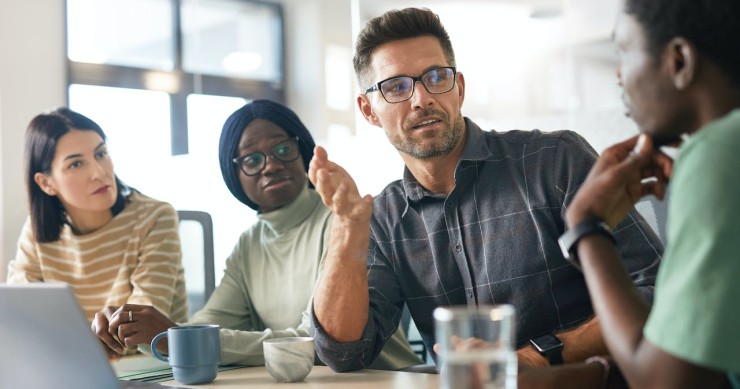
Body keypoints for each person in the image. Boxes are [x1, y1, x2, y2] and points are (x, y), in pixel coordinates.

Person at [308, 7, 664, 373]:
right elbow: (343, 353)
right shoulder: (383, 218)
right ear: (368, 110)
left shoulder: (554, 160)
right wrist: (347, 227)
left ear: (458, 88)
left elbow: (659, 290)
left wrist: (538, 356)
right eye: (396, 87)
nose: (421, 99)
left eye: (436, 77)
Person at [92, 99, 421, 369]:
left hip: (381, 381)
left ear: (303, 152)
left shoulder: (343, 223)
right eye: (251, 159)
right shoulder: (248, 244)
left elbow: (318, 342)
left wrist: (177, 336)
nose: (270, 166)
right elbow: (211, 323)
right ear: (234, 174)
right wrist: (141, 330)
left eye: (281, 150)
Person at [541, 0, 740, 387]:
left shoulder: (719, 150)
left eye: (624, 52)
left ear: (679, 61)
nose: (618, 76)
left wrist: (585, 228)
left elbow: (665, 383)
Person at [7, 107, 187, 324]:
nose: (99, 173)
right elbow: (21, 318)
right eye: (76, 164)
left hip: (147, 357)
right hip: (71, 357)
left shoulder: (155, 218)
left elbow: (140, 329)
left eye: (100, 154)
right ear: (46, 183)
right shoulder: (36, 232)